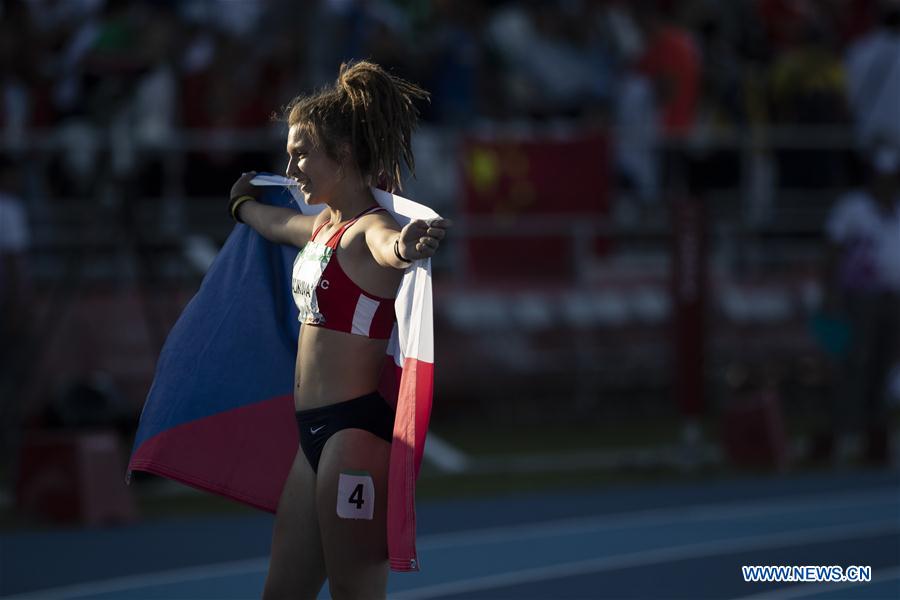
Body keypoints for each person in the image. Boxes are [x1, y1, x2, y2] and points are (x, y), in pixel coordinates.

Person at [227, 61, 450, 599]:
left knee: (356, 594)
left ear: (343, 155)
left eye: (301, 152)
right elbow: (279, 225)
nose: (291, 165)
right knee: (282, 593)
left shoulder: (370, 230)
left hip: (353, 436)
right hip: (312, 439)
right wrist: (243, 205)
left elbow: (389, 248)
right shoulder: (326, 227)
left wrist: (409, 246)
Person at [817, 144, 900, 465]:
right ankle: (845, 433)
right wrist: (831, 294)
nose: (887, 184)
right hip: (859, 299)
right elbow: (833, 248)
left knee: (886, 368)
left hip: (892, 299)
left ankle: (877, 437)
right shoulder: (853, 207)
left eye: (892, 178)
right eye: (883, 177)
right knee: (855, 364)